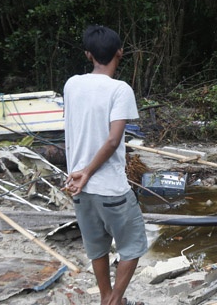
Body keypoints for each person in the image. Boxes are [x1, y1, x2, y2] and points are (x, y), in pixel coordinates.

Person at [64, 25, 147, 305]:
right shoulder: (120, 90)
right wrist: (88, 172)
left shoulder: (72, 84)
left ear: (88, 54)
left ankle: (105, 298)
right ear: (120, 52)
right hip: (108, 186)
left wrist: (81, 174)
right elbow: (113, 141)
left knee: (96, 248)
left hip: (77, 186)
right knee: (133, 245)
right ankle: (114, 301)